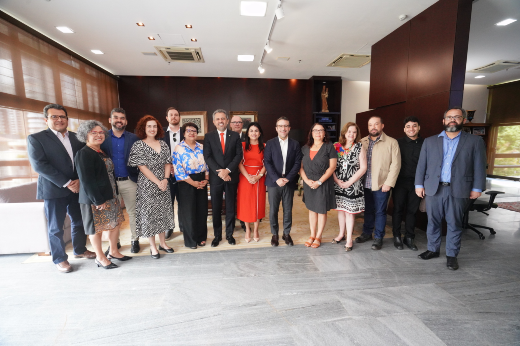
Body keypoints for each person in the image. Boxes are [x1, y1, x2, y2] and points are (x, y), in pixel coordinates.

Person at [415, 107, 486, 270]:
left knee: (454, 223)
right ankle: (432, 249)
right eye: (449, 117)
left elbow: (480, 166)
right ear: (444, 121)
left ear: (464, 120)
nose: (452, 120)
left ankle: (452, 255)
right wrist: (419, 184)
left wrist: (477, 187)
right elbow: (421, 165)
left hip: (459, 189)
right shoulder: (430, 141)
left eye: (457, 117)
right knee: (432, 222)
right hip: (434, 189)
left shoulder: (474, 141)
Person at [27, 104, 95, 273]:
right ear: (46, 120)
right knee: (55, 226)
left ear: (67, 119)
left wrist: (79, 180)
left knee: (79, 221)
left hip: (78, 187)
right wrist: (67, 182)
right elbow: (40, 165)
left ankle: (80, 249)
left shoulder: (77, 137)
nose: (59, 120)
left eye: (62, 117)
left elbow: (83, 160)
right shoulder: (36, 138)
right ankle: (59, 258)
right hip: (54, 189)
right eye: (54, 117)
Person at [75, 121, 130, 269]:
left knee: (114, 224)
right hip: (94, 200)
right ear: (85, 135)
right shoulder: (84, 153)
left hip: (110, 195)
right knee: (96, 229)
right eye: (94, 132)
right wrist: (98, 200)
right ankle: (100, 257)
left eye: (101, 133)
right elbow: (86, 180)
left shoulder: (101, 152)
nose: (99, 135)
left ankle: (113, 251)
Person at [128, 115, 175, 259]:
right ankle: (153, 247)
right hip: (148, 185)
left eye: (154, 126)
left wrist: (166, 179)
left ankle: (163, 243)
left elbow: (168, 163)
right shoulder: (138, 145)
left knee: (163, 214)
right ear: (144, 128)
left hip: (164, 184)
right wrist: (157, 181)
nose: (152, 129)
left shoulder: (164, 144)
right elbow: (142, 167)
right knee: (150, 216)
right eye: (149, 126)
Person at [355, 116, 401, 250]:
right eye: (370, 125)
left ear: (382, 126)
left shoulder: (392, 142)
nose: (373, 127)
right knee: (368, 210)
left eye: (376, 124)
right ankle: (367, 233)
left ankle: (378, 237)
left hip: (381, 184)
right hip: (365, 183)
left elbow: (396, 165)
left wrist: (389, 183)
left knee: (380, 211)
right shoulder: (362, 142)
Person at [100, 108, 140, 253]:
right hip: (110, 183)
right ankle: (114, 243)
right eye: (116, 117)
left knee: (133, 212)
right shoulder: (102, 138)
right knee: (112, 213)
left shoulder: (133, 138)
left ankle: (135, 239)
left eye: (122, 118)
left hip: (130, 180)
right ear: (110, 120)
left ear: (126, 121)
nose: (119, 120)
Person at [203, 109, 243, 247]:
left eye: (223, 119)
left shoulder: (235, 136)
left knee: (231, 207)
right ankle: (217, 236)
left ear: (227, 121)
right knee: (216, 207)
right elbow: (207, 156)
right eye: (218, 119)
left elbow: (238, 155)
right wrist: (219, 172)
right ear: (214, 122)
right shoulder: (209, 137)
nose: (221, 121)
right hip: (216, 178)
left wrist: (228, 170)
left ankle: (229, 234)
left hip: (231, 176)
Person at [264, 117, 302, 247]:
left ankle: (286, 234)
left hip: (289, 182)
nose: (283, 128)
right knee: (273, 210)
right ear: (276, 128)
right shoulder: (270, 143)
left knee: (288, 210)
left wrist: (288, 178)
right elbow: (267, 162)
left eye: (285, 126)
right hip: (274, 182)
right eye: (280, 126)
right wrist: (277, 178)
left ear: (289, 128)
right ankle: (275, 234)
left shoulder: (295, 144)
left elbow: (297, 163)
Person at [300, 123, 338, 248]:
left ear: (324, 133)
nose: (318, 133)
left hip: (323, 183)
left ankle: (319, 236)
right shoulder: (305, 148)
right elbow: (300, 167)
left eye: (320, 130)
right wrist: (306, 180)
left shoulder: (329, 147)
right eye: (315, 130)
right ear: (311, 133)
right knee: (312, 209)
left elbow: (332, 167)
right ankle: (312, 234)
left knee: (321, 210)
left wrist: (319, 182)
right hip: (309, 183)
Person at [172, 122, 209, 249]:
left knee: (202, 210)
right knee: (189, 212)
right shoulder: (179, 148)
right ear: (184, 133)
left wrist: (206, 179)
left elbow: (208, 165)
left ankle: (201, 237)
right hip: (186, 183)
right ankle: (190, 240)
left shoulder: (202, 147)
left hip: (202, 180)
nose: (192, 133)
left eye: (194, 130)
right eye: (189, 130)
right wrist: (193, 183)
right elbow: (178, 170)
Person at [332, 122, 367, 251]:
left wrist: (349, 182)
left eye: (354, 132)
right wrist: (337, 180)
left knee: (350, 212)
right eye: (349, 131)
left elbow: (363, 168)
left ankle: (349, 239)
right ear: (344, 133)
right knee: (341, 210)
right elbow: (332, 166)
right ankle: (341, 234)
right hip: (339, 183)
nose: (352, 134)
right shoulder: (337, 146)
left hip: (353, 185)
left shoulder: (359, 146)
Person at [392, 116, 424, 251]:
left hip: (417, 183)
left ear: (419, 128)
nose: (412, 129)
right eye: (408, 126)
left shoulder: (425, 143)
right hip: (399, 181)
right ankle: (397, 236)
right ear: (404, 129)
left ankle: (409, 237)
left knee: (412, 211)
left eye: (414, 125)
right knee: (398, 209)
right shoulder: (397, 143)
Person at [237, 122, 266, 243]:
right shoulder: (242, 145)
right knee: (246, 203)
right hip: (245, 177)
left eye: (256, 131)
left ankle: (256, 230)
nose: (254, 133)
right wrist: (248, 177)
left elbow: (267, 164)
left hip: (260, 176)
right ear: (247, 133)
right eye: (251, 131)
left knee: (257, 203)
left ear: (260, 133)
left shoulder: (265, 146)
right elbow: (238, 163)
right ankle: (248, 229)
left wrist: (258, 176)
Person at [163, 107, 185, 239]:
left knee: (183, 201)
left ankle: (183, 225)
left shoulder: (186, 132)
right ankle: (169, 227)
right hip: (167, 174)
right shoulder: (161, 134)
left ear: (179, 117)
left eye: (176, 115)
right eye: (171, 115)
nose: (174, 117)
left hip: (184, 173)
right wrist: (168, 167)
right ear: (167, 118)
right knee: (168, 202)